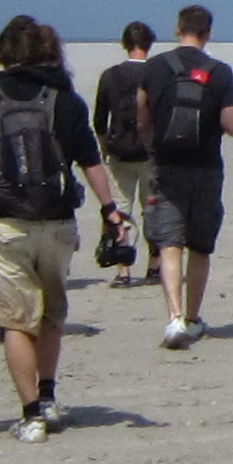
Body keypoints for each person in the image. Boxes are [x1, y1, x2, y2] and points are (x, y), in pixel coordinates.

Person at [0, 15, 133, 441]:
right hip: (57, 223)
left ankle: (30, 416)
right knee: (51, 313)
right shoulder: (65, 98)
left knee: (16, 321)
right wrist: (110, 211)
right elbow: (90, 160)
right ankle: (47, 396)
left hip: (6, 223)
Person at [140, 6, 233, 350]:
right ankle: (192, 317)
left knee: (169, 243)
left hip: (166, 166)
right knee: (200, 245)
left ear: (177, 28)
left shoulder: (155, 67)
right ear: (208, 33)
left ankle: (173, 318)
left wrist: (151, 144)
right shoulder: (220, 72)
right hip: (206, 167)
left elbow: (141, 114)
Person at [92, 22, 160, 287]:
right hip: (150, 152)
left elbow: (99, 119)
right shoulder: (157, 73)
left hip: (119, 150)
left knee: (120, 209)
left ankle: (124, 269)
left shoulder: (110, 75)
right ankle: (154, 266)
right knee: (152, 208)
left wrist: (104, 146)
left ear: (125, 44)